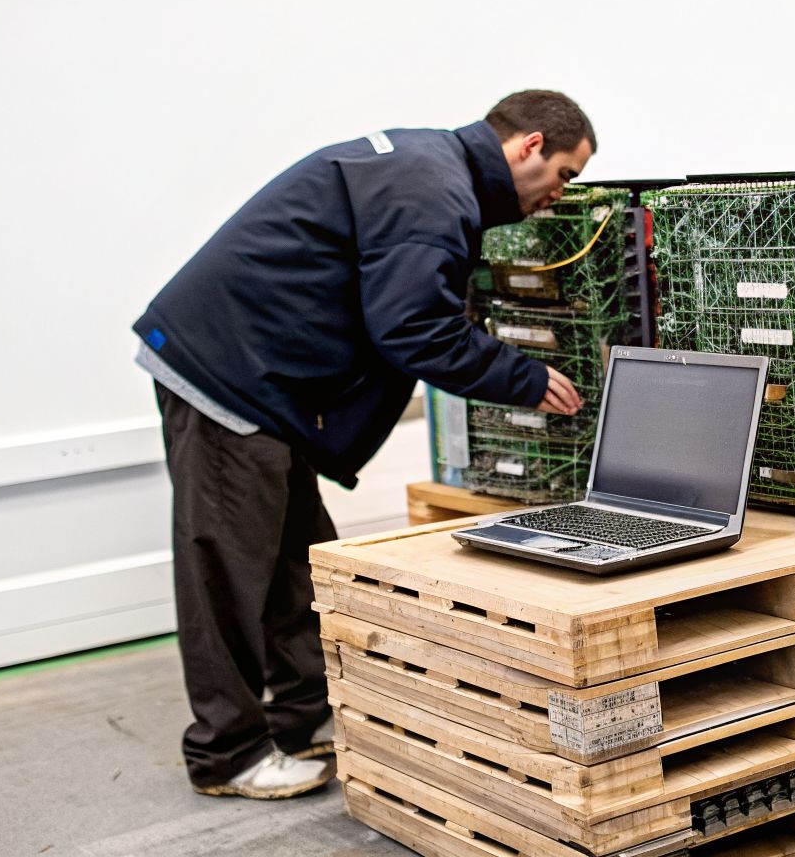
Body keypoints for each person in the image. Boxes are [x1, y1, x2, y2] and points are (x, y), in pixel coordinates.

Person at [132, 90, 594, 799]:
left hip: (265, 377)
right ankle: (228, 754)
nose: (558, 196)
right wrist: (524, 378)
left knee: (294, 553)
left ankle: (301, 718)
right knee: (226, 568)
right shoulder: (434, 192)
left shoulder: (432, 166)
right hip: (227, 372)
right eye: (564, 173)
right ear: (529, 145)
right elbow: (413, 328)